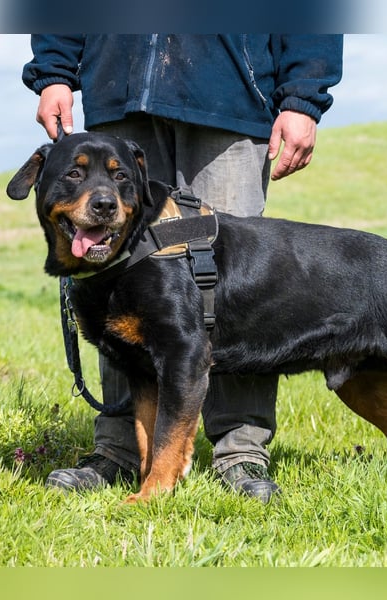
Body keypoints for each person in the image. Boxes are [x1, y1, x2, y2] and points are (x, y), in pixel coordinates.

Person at [21, 34, 343, 502]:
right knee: (114, 290)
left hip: (230, 92)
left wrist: (303, 98)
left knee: (236, 290)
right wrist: (54, 72)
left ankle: (240, 451)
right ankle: (120, 452)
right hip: (120, 87)